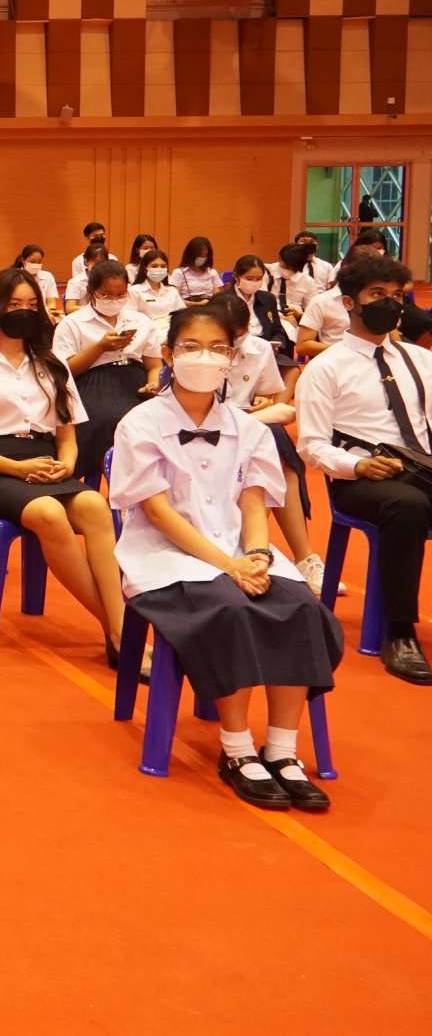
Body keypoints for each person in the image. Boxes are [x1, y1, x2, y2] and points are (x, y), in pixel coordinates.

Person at [109, 305, 345, 810]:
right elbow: (157, 513)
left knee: (301, 608)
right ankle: (237, 749)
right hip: (167, 556)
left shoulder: (249, 428)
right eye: (191, 347)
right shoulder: (139, 423)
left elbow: (254, 502)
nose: (205, 357)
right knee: (230, 609)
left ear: (232, 358)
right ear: (168, 354)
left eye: (217, 348)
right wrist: (228, 566)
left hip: (241, 549)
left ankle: (282, 749)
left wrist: (256, 554)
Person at [0, 269, 127, 661]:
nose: (23, 312)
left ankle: (120, 630)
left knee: (95, 505)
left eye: (30, 304)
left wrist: (67, 466)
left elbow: (67, 437)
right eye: (13, 304)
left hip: (45, 461)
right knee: (48, 514)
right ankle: (120, 630)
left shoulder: (53, 364)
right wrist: (16, 469)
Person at [294, 257, 432, 684]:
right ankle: (399, 632)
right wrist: (358, 464)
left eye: (396, 296)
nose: (390, 304)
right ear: (349, 302)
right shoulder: (326, 368)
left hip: (422, 467)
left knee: (415, 497)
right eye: (378, 295)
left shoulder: (420, 359)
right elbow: (311, 445)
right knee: (407, 505)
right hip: (362, 479)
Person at [205, 292, 325, 591]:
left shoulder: (258, 349)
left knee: (274, 442)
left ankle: (302, 557)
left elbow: (266, 394)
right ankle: (253, 548)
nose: (233, 344)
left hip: (248, 426)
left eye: (239, 336)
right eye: (226, 337)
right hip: (204, 431)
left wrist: (261, 401)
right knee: (274, 437)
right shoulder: (198, 352)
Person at [52, 259, 160, 488]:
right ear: (92, 291)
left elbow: (153, 364)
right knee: (109, 420)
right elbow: (64, 370)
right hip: (91, 381)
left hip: (134, 379)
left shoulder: (140, 320)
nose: (114, 300)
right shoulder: (72, 323)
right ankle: (122, 488)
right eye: (106, 294)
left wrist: (152, 383)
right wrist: (100, 347)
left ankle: (152, 486)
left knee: (158, 419)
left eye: (121, 294)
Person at [127, 249, 183, 325]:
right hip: (146, 329)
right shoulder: (134, 291)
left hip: (172, 329)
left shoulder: (172, 291)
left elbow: (182, 315)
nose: (159, 269)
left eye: (163, 266)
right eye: (154, 266)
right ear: (145, 269)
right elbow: (130, 318)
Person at [63, 243, 110, 313]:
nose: (100, 266)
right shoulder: (75, 282)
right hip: (81, 317)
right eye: (96, 262)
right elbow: (69, 308)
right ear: (86, 261)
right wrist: (94, 310)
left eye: (103, 262)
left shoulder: (109, 281)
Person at [13, 245, 61, 312]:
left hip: (44, 312)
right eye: (32, 262)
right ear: (23, 260)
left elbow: (51, 302)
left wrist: (51, 311)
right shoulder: (14, 277)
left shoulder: (48, 276)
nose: (36, 265)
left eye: (39, 262)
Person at [174, 236, 221, 304]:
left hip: (210, 306)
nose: (201, 258)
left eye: (205, 256)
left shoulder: (212, 272)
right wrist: (197, 304)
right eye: (199, 255)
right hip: (188, 307)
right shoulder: (179, 273)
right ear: (191, 254)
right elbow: (175, 299)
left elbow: (218, 297)